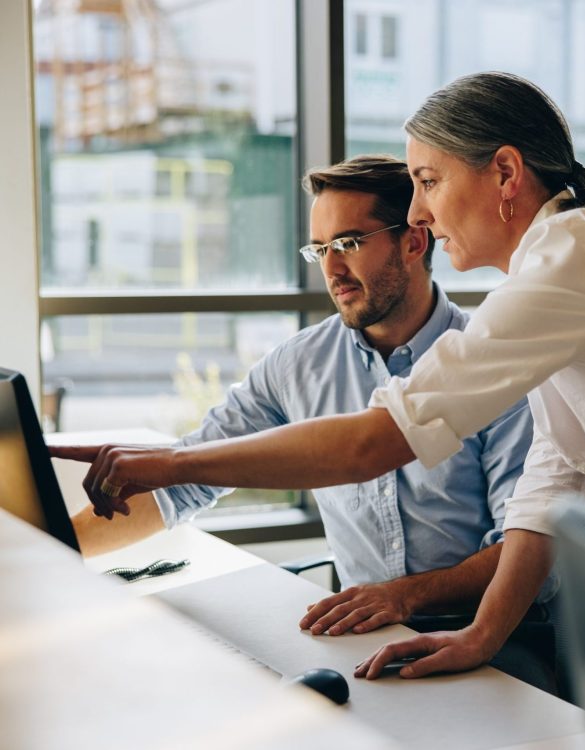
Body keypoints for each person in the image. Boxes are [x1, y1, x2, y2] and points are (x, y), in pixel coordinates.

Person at [53, 72, 585, 683]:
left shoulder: (569, 261)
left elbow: (373, 444)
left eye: (429, 181)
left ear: (506, 175)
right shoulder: (555, 283)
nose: (419, 212)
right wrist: (481, 636)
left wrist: (171, 462)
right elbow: (554, 479)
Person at [65, 154, 560, 689]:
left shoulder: (494, 361)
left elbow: (527, 546)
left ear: (414, 242)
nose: (331, 270)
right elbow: (182, 483)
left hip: (493, 635)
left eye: (347, 244)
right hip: (361, 634)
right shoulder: (298, 365)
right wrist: (55, 554)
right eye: (319, 249)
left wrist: (402, 595)